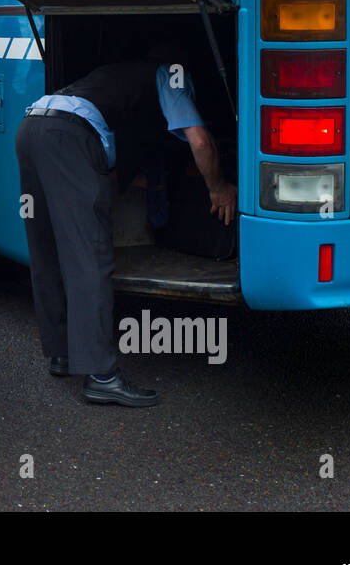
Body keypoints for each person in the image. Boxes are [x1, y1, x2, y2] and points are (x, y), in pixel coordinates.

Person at [14, 51, 238, 407]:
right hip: (68, 137)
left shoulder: (115, 74)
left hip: (31, 127)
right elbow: (200, 141)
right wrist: (218, 187)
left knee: (48, 247)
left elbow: (109, 169)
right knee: (91, 255)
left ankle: (63, 353)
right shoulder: (171, 72)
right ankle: (101, 376)